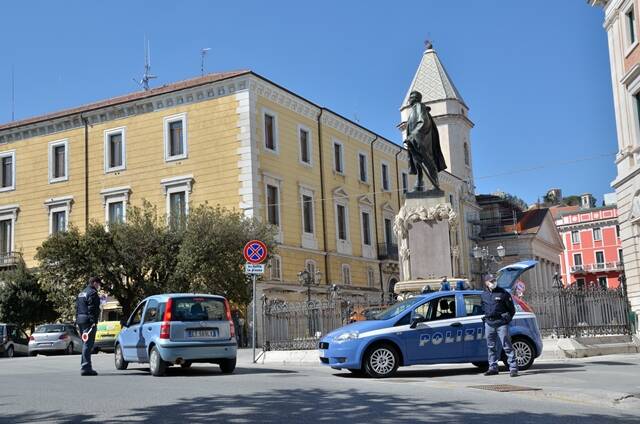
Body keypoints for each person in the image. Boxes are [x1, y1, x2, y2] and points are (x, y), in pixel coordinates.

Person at [404, 90, 447, 192]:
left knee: (427, 161)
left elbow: (424, 121)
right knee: (417, 161)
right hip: (414, 140)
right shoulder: (413, 110)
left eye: (410, 98)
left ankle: (435, 183)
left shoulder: (419, 107)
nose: (409, 100)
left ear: (415, 98)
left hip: (421, 140)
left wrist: (412, 135)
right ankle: (419, 183)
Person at [481, 274, 518, 377]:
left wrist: (507, 319)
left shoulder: (503, 293)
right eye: (491, 281)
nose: (493, 283)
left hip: (501, 324)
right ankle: (493, 368)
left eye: (494, 281)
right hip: (489, 323)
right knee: (491, 347)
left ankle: (513, 368)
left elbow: (512, 310)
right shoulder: (484, 295)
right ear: (486, 283)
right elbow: (483, 307)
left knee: (507, 346)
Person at [76, 276, 102, 376]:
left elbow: (77, 308)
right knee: (88, 344)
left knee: (85, 343)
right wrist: (93, 321)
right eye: (99, 284)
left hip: (80, 320)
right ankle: (86, 367)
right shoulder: (92, 293)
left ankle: (86, 366)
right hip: (88, 321)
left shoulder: (81, 293)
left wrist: (77, 320)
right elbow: (92, 308)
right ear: (94, 283)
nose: (99, 286)